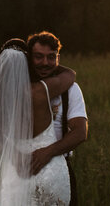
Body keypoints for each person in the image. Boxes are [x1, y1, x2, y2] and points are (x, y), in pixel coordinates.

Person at [0, 43, 75, 205]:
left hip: (16, 174)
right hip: (49, 171)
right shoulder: (40, 91)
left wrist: (16, 156)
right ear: (28, 65)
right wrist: (49, 63)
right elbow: (70, 74)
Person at [26, 32, 88, 206]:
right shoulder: (19, 88)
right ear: (29, 58)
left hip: (60, 170)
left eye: (51, 57)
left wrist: (49, 152)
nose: (45, 63)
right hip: (22, 171)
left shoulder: (71, 89)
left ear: (58, 58)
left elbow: (80, 132)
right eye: (38, 57)